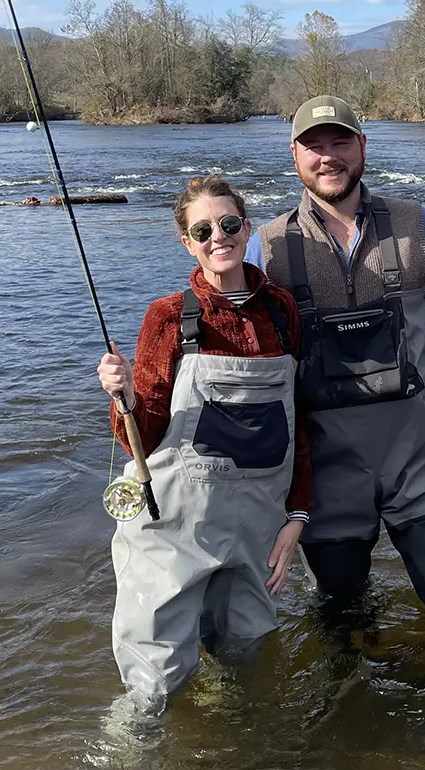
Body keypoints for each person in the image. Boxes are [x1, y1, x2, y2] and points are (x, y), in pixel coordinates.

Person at [245, 95, 425, 632]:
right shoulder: (266, 246)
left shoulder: (415, 222)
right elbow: (232, 332)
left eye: (339, 142)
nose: (327, 157)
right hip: (325, 466)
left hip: (420, 453)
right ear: (294, 155)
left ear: (362, 147)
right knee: (342, 615)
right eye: (313, 147)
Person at [97, 176, 311, 713]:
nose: (219, 236)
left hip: (259, 520)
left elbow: (298, 420)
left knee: (250, 652)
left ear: (246, 228)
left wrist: (298, 515)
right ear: (187, 241)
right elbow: (138, 440)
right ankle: (130, 766)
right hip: (174, 519)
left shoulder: (281, 311)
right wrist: (119, 394)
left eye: (230, 223)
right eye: (203, 229)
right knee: (157, 673)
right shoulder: (168, 317)